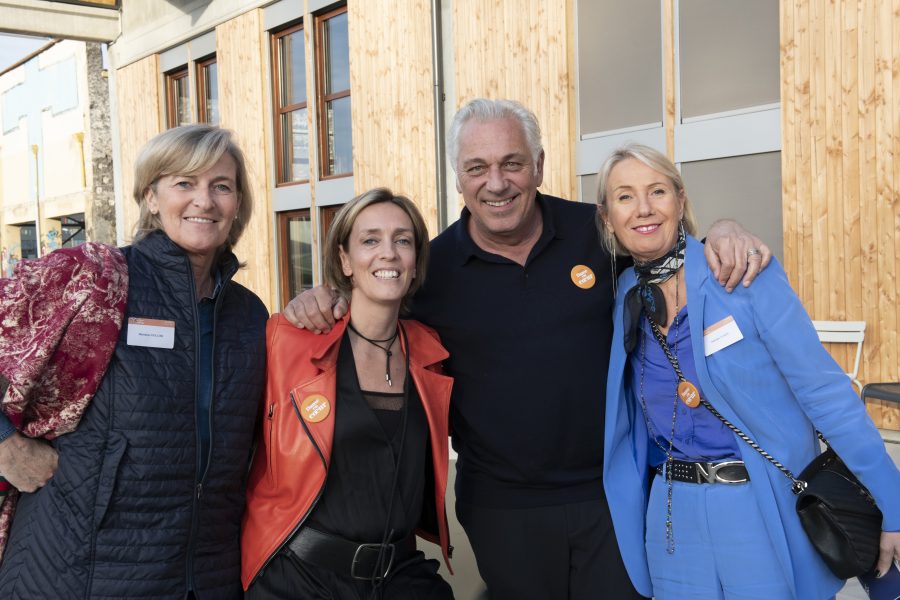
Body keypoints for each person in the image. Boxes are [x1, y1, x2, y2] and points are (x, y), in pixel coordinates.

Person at [284, 99, 771, 599]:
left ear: (538, 165)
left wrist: (721, 230)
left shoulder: (597, 232)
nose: (496, 183)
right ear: (459, 178)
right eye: (477, 168)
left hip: (612, 493)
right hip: (503, 509)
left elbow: (665, 241)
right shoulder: (432, 270)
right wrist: (325, 296)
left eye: (511, 163)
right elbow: (374, 300)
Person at [598, 143, 900, 599]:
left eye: (657, 191)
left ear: (680, 201)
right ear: (607, 217)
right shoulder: (624, 296)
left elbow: (825, 394)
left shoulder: (740, 272)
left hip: (758, 504)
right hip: (672, 515)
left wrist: (893, 502)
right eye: (624, 196)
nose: (643, 208)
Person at [0, 124, 268, 599]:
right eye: (184, 183)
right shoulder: (91, 280)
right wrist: (5, 446)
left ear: (238, 204)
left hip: (207, 577)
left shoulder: (249, 316)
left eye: (221, 186)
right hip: (77, 573)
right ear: (150, 197)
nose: (204, 201)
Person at [241, 188, 454, 599]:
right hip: (298, 580)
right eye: (370, 240)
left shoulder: (432, 354)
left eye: (403, 241)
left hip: (397, 575)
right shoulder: (287, 341)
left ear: (415, 261)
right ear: (344, 260)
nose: (388, 253)